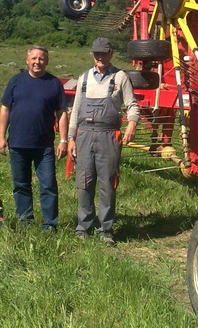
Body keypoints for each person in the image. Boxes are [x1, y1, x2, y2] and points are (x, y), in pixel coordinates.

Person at [67, 37, 139, 246]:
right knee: (84, 183)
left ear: (111, 54)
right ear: (92, 55)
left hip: (108, 135)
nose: (100, 57)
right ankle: (83, 227)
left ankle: (106, 229)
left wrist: (132, 124)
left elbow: (132, 105)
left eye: (103, 53)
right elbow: (75, 111)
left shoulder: (120, 77)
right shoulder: (85, 78)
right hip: (84, 134)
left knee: (108, 183)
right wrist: (71, 138)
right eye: (96, 53)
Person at [0, 45, 68, 231]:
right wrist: (1, 137)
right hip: (18, 143)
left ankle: (49, 225)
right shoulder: (16, 81)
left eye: (42, 58)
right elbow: (5, 109)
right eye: (34, 58)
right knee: (21, 185)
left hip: (44, 145)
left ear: (47, 61)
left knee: (48, 186)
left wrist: (63, 140)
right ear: (27, 61)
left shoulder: (54, 83)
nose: (38, 62)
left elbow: (62, 112)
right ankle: (25, 223)